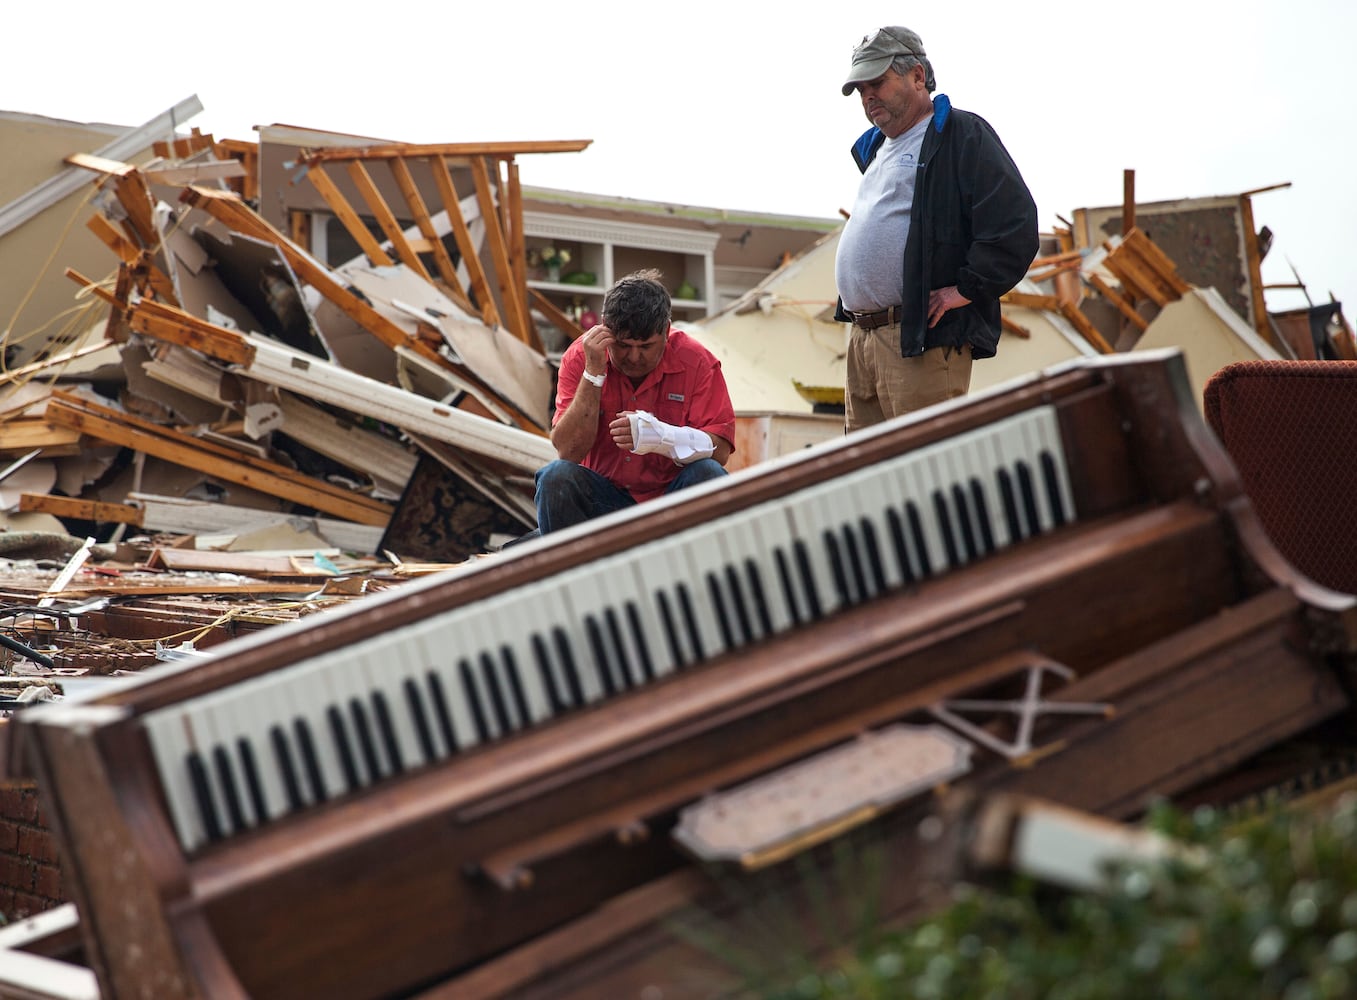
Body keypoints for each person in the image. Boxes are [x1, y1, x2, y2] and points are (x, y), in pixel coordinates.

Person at [833, 26, 1039, 432]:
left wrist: (965, 289)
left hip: (919, 341)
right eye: (861, 89)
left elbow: (1014, 223)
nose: (868, 95)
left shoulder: (961, 135)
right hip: (865, 340)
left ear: (917, 76)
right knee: (865, 482)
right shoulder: (876, 148)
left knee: (921, 473)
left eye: (877, 81)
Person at [532, 269, 736, 535]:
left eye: (646, 346)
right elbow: (568, 453)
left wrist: (662, 437)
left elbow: (719, 453)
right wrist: (593, 373)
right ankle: (566, 574)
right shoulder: (582, 355)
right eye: (624, 345)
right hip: (603, 501)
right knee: (556, 476)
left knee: (709, 474)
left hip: (670, 502)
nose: (634, 357)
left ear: (666, 330)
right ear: (605, 327)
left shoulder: (697, 362)